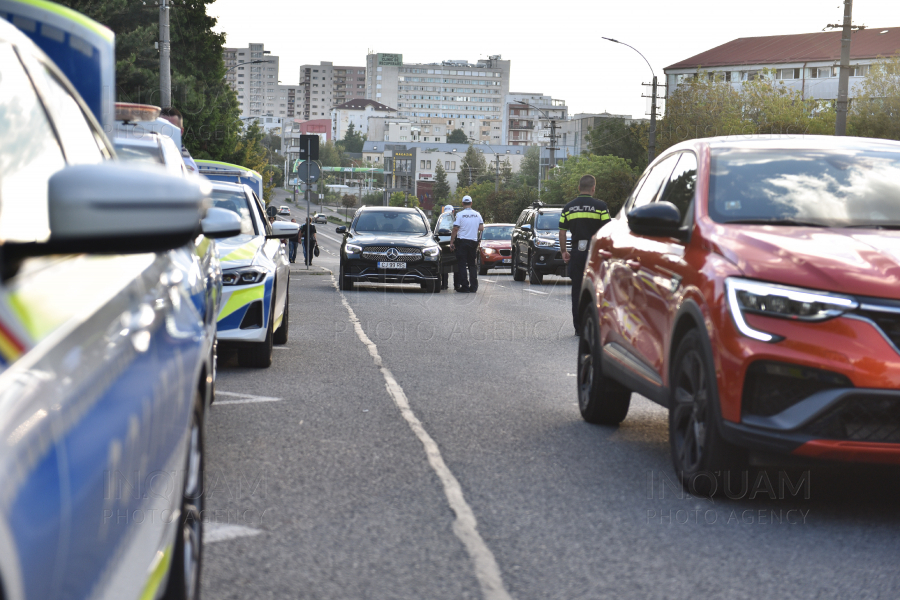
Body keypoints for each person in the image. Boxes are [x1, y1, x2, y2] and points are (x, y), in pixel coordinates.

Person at [560, 174, 611, 335]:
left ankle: (579, 328)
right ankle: (595, 326)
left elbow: (562, 232)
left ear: (578, 188)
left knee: (577, 291)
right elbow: (607, 232)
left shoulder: (568, 207)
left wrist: (564, 251)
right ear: (593, 188)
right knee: (598, 290)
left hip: (577, 253)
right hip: (595, 255)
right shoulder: (601, 207)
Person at [448, 195, 483, 293]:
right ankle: (474, 286)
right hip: (473, 242)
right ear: (471, 203)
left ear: (463, 203)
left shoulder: (460, 215)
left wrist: (452, 242)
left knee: (462, 264)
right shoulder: (477, 214)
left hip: (462, 242)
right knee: (472, 265)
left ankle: (465, 286)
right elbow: (481, 228)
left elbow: (455, 229)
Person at [159, 107, 199, 173]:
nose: (167, 133)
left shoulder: (185, 163)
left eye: (172, 129)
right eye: (163, 128)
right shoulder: (148, 153)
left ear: (181, 131)